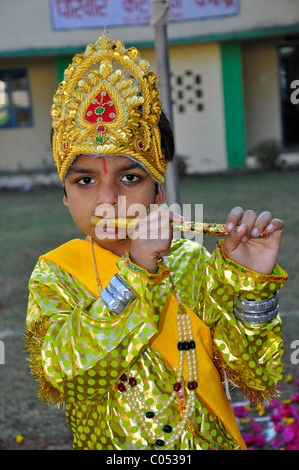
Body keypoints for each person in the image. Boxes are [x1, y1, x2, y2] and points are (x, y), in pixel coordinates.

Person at [25, 34, 287, 451]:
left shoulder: (190, 261)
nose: (108, 199)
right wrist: (135, 273)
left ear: (159, 194)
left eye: (130, 178)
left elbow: (256, 375)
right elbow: (67, 377)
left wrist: (252, 283)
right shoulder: (55, 273)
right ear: (65, 196)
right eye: (85, 180)